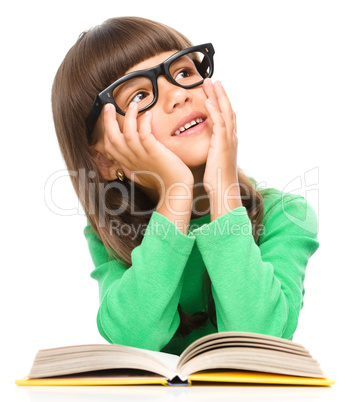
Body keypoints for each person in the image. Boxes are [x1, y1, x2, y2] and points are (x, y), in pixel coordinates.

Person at [51, 16, 320, 355]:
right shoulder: (111, 235)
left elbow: (261, 339)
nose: (178, 94)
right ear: (107, 160)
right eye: (139, 96)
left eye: (183, 73)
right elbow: (131, 339)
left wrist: (223, 190)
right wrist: (174, 193)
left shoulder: (286, 215)